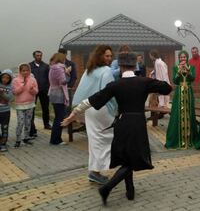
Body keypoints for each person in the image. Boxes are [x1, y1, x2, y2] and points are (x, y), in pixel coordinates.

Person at [62, 52, 172, 205]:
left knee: (127, 158)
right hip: (137, 124)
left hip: (121, 123)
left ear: (120, 66)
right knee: (133, 159)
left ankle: (130, 190)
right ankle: (107, 188)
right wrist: (154, 82)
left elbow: (92, 100)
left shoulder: (115, 85)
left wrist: (73, 114)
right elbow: (167, 88)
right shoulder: (144, 82)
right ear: (135, 66)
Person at [73, 45, 117, 184]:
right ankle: (97, 171)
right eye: (107, 56)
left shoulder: (89, 71)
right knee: (105, 139)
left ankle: (94, 171)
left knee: (94, 140)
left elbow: (82, 90)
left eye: (110, 56)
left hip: (89, 108)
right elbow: (109, 92)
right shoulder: (107, 71)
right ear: (100, 56)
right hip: (102, 108)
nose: (109, 58)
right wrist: (117, 107)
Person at [165, 50, 197, 149]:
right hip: (179, 92)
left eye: (184, 57)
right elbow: (174, 81)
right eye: (181, 57)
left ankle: (189, 138)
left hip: (188, 92)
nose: (182, 59)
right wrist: (178, 72)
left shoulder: (191, 67)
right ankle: (177, 138)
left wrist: (188, 69)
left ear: (187, 58)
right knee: (178, 112)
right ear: (179, 58)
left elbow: (192, 79)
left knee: (189, 112)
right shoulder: (175, 67)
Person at [12, 63, 38, 148]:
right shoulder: (16, 80)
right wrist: (22, 85)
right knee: (20, 122)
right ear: (20, 71)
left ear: (29, 71)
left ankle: (26, 138)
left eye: (27, 70)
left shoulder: (33, 79)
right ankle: (18, 139)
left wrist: (32, 90)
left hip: (30, 104)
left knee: (28, 122)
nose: (25, 72)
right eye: (23, 71)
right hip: (20, 105)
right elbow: (15, 92)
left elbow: (36, 91)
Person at [48, 53, 69, 145]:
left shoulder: (53, 67)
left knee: (58, 117)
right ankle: (56, 140)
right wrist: (67, 73)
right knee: (60, 118)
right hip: (59, 94)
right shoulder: (59, 68)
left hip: (53, 92)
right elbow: (63, 81)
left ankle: (54, 139)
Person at [29, 50, 50, 135]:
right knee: (32, 108)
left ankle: (46, 124)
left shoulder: (45, 66)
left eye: (40, 55)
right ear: (34, 56)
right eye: (37, 55)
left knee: (45, 108)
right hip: (33, 90)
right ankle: (32, 126)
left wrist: (48, 87)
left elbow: (49, 77)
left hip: (44, 90)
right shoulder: (29, 66)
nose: (39, 57)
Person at [0, 69, 13, 152]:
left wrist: (2, 93)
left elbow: (9, 98)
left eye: (7, 78)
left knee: (4, 128)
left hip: (5, 111)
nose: (5, 79)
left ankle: (3, 144)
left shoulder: (11, 87)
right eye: (3, 77)